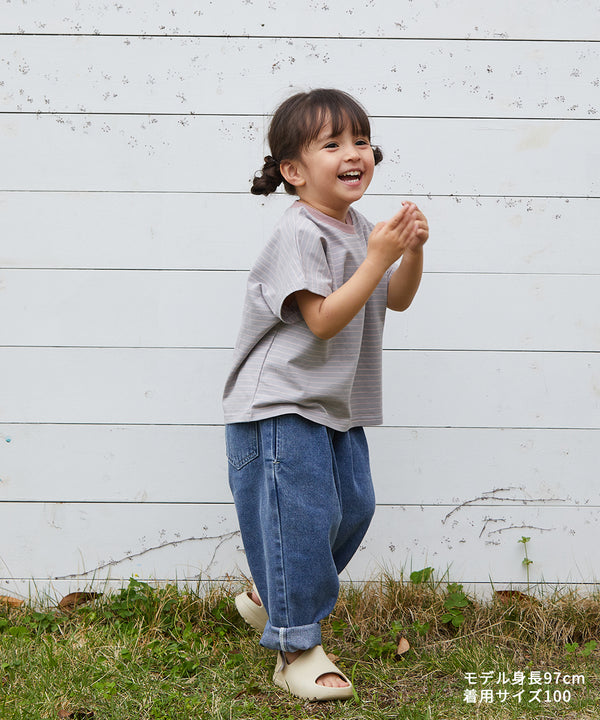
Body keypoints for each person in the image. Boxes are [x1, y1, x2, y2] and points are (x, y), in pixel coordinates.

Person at [222, 88, 429, 701]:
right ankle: (296, 649)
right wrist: (379, 256)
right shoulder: (297, 231)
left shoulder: (361, 229)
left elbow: (395, 296)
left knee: (354, 508)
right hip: (281, 403)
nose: (353, 153)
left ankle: (270, 597)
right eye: (332, 144)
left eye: (361, 141)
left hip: (335, 403)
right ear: (293, 170)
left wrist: (410, 252)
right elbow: (321, 319)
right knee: (304, 520)